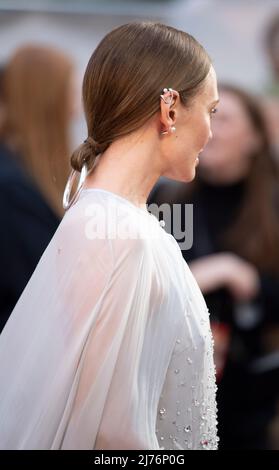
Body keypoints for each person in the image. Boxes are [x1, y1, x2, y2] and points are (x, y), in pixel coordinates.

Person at [0, 22, 219, 450]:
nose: (210, 132)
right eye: (210, 111)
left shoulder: (113, 219)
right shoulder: (118, 233)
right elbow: (111, 434)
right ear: (170, 109)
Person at [149, 84, 279, 449]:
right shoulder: (169, 198)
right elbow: (147, 283)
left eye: (225, 119)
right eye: (209, 116)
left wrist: (251, 281)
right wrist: (213, 272)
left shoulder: (273, 205)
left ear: (254, 138)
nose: (211, 129)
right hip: (174, 386)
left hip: (249, 394)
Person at [0, 45, 75, 331]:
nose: (76, 108)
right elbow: (37, 289)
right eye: (69, 94)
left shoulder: (28, 176)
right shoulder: (12, 187)